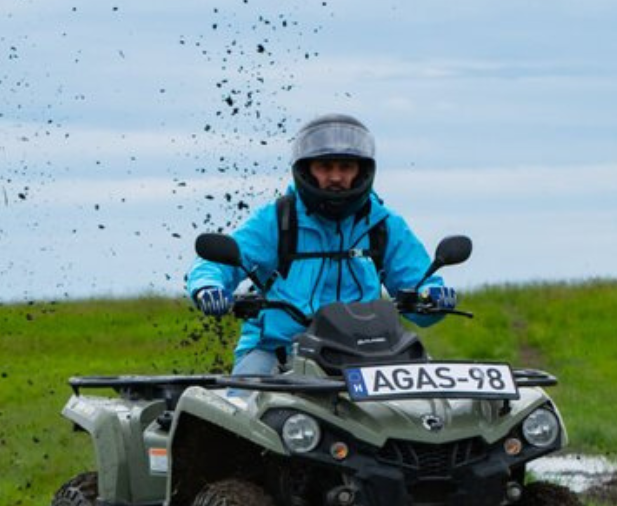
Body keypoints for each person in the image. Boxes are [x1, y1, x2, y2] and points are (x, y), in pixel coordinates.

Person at [186, 113, 457, 375]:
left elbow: (419, 282)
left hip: (369, 353)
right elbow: (217, 264)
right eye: (325, 167)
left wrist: (433, 295)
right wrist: (209, 288)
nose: (336, 177)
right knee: (240, 405)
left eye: (346, 167)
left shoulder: (384, 224)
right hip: (278, 352)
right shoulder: (277, 219)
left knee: (426, 407)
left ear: (362, 172)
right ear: (306, 170)